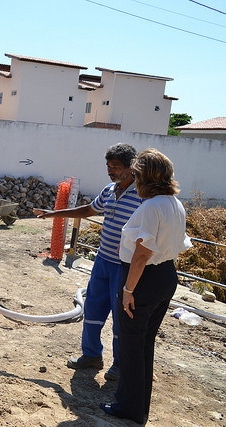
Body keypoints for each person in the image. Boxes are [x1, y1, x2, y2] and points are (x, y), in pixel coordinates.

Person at [33, 143, 143, 381]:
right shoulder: (109, 191)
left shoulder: (144, 195)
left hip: (125, 266)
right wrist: (54, 214)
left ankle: (120, 364)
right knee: (93, 309)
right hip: (103, 261)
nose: (110, 171)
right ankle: (91, 355)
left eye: (115, 166)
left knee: (121, 316)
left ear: (131, 166)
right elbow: (88, 210)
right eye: (108, 166)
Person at [99, 148, 191, 424]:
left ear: (145, 178)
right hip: (165, 276)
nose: (134, 180)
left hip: (144, 280)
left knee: (131, 344)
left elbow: (141, 254)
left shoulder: (151, 207)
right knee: (143, 343)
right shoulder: (174, 203)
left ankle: (128, 407)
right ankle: (139, 405)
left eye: (137, 175)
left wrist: (128, 291)